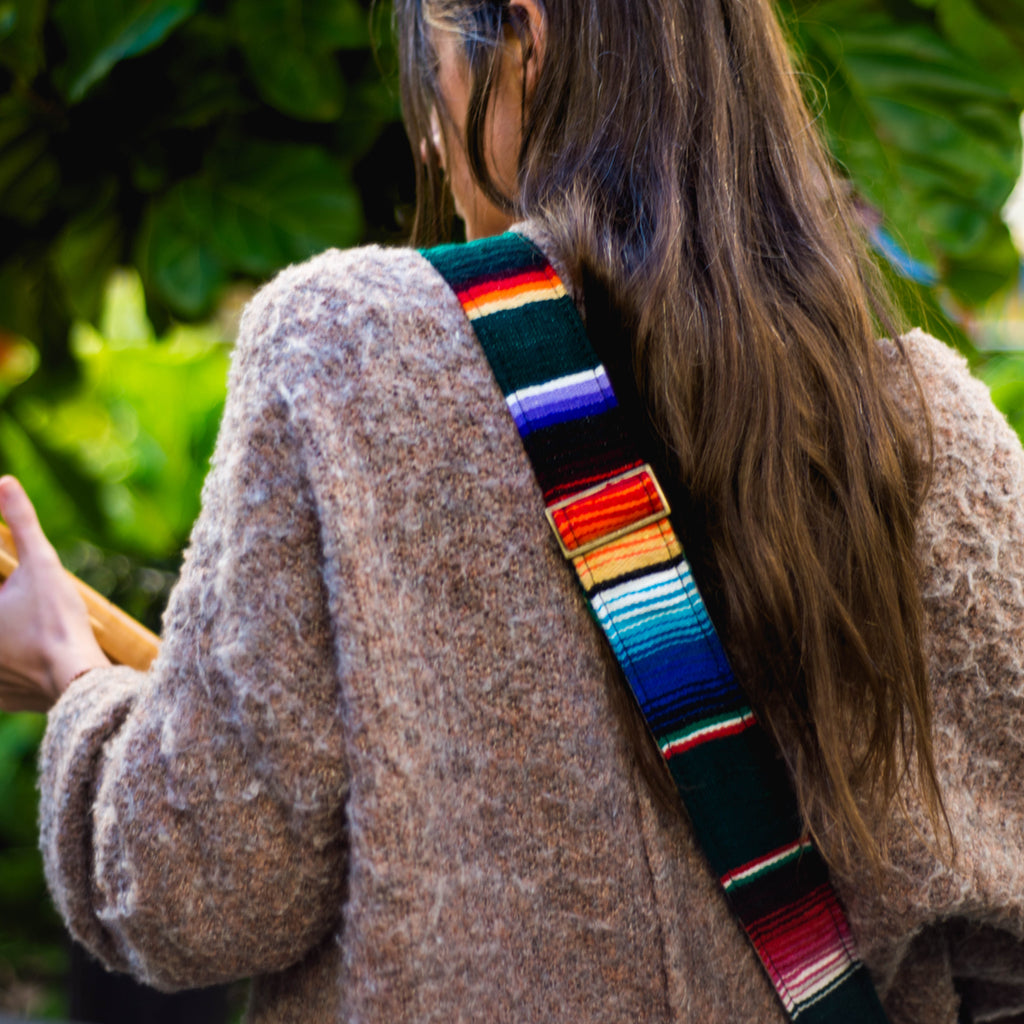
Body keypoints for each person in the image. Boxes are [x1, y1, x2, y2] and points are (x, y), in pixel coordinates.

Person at [1, 0, 1023, 1020]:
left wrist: (74, 677)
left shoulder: (351, 354)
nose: (431, 143)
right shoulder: (927, 428)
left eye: (431, 77)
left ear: (522, 45)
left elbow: (198, 893)